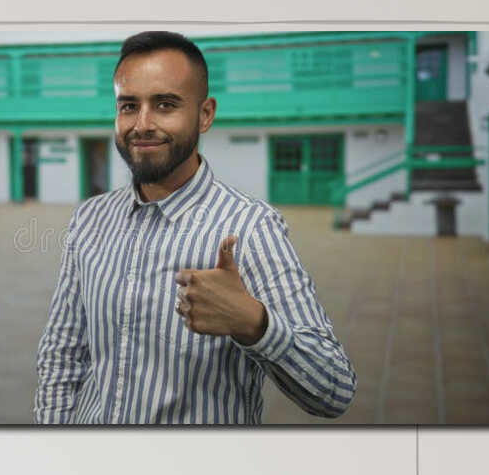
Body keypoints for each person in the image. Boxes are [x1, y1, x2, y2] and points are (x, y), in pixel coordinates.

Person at [33, 31, 356, 424]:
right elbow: (61, 353)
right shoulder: (90, 219)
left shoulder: (250, 229)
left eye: (165, 104)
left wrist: (255, 324)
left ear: (205, 114)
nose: (143, 124)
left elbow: (335, 390)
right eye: (129, 106)